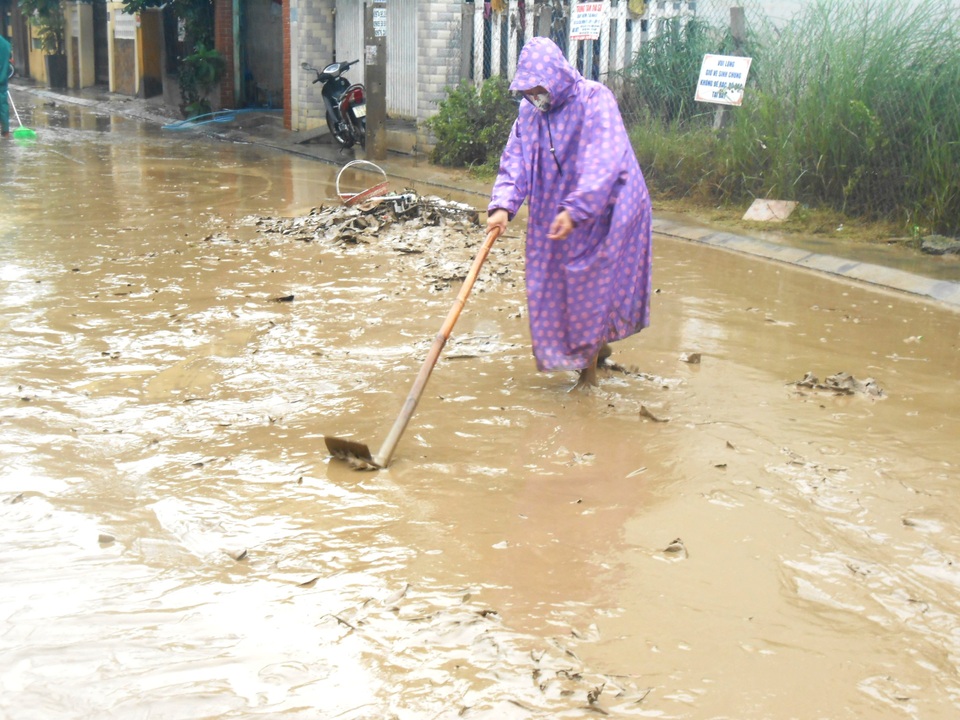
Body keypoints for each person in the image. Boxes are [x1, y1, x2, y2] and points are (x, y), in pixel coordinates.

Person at [487, 36, 653, 390]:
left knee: (590, 283)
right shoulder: (530, 113)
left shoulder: (594, 99)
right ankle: (596, 346)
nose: (536, 96)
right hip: (558, 210)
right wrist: (503, 205)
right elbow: (515, 159)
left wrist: (577, 208)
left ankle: (587, 376)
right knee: (556, 280)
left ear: (556, 76)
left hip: (609, 207)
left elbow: (603, 160)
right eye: (529, 90)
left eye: (539, 88)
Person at [1, 33, 11, 139]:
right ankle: (6, 132)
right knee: (3, 107)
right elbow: (9, 64)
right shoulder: (6, 44)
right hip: (2, 81)